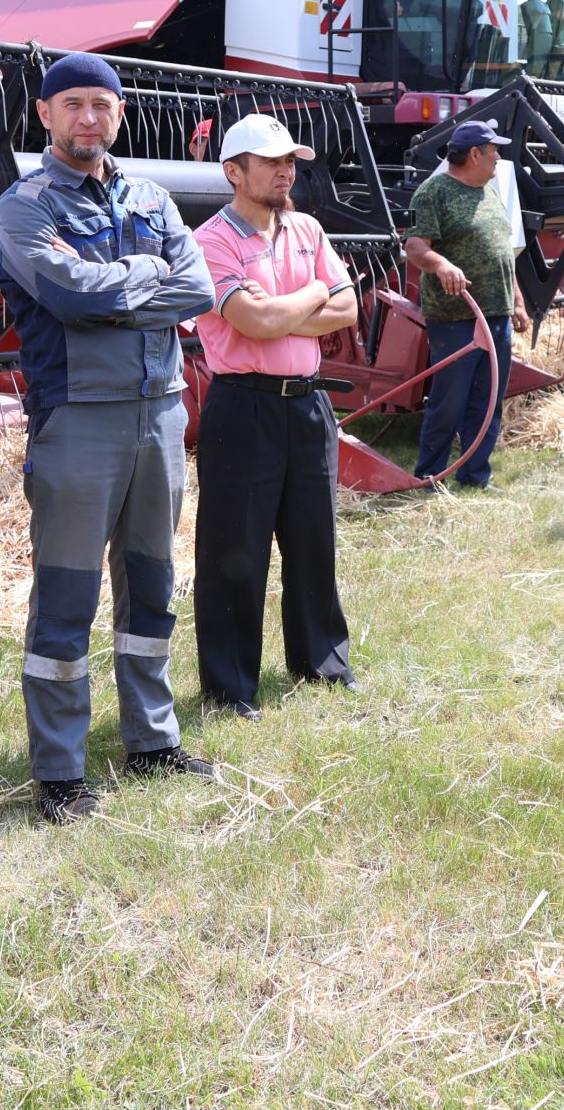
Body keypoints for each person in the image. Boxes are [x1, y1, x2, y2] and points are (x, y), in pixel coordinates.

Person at [0, 53, 219, 824]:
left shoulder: (152, 196)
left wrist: (114, 285)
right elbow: (61, 294)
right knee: (66, 596)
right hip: (77, 420)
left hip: (160, 414)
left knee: (151, 584)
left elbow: (201, 289)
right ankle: (59, 769)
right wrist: (146, 278)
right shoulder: (26, 206)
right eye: (74, 104)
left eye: (103, 104)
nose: (89, 117)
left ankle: (151, 742)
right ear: (47, 116)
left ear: (119, 114)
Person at [192, 114, 359, 719]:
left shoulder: (308, 228)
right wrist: (314, 293)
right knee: (235, 547)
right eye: (271, 161)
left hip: (307, 402)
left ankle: (322, 662)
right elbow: (255, 325)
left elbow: (348, 309)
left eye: (290, 159)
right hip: (244, 405)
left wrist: (292, 306)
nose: (287, 169)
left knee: (314, 538)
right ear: (233, 171)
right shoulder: (211, 241)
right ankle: (231, 686)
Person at [405, 121, 530, 487]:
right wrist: (442, 264)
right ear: (474, 154)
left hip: (497, 315)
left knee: (488, 401)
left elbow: (504, 254)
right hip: (456, 318)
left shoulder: (490, 192)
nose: (498, 158)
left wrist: (518, 302)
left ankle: (475, 476)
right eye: (494, 151)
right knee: (449, 401)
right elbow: (414, 245)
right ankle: (429, 475)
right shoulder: (434, 192)